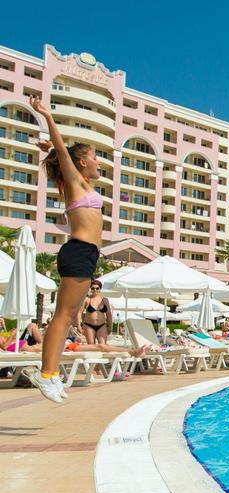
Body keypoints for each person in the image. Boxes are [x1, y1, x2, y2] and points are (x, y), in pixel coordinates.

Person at [22, 96, 104, 403]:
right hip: (79, 251)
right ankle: (45, 374)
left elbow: (60, 153)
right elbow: (61, 146)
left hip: (87, 254)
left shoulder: (82, 185)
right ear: (81, 162)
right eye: (94, 157)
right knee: (62, 316)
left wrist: (54, 154)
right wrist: (46, 116)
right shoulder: (75, 182)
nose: (98, 162)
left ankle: (51, 372)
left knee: (68, 317)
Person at [80, 280, 111, 344]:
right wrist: (79, 326)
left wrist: (109, 326)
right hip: (89, 325)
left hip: (102, 325)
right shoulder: (87, 300)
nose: (95, 290)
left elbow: (109, 314)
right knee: (91, 346)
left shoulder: (104, 300)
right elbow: (79, 312)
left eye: (97, 288)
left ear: (100, 289)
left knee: (103, 346)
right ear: (90, 289)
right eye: (93, 288)